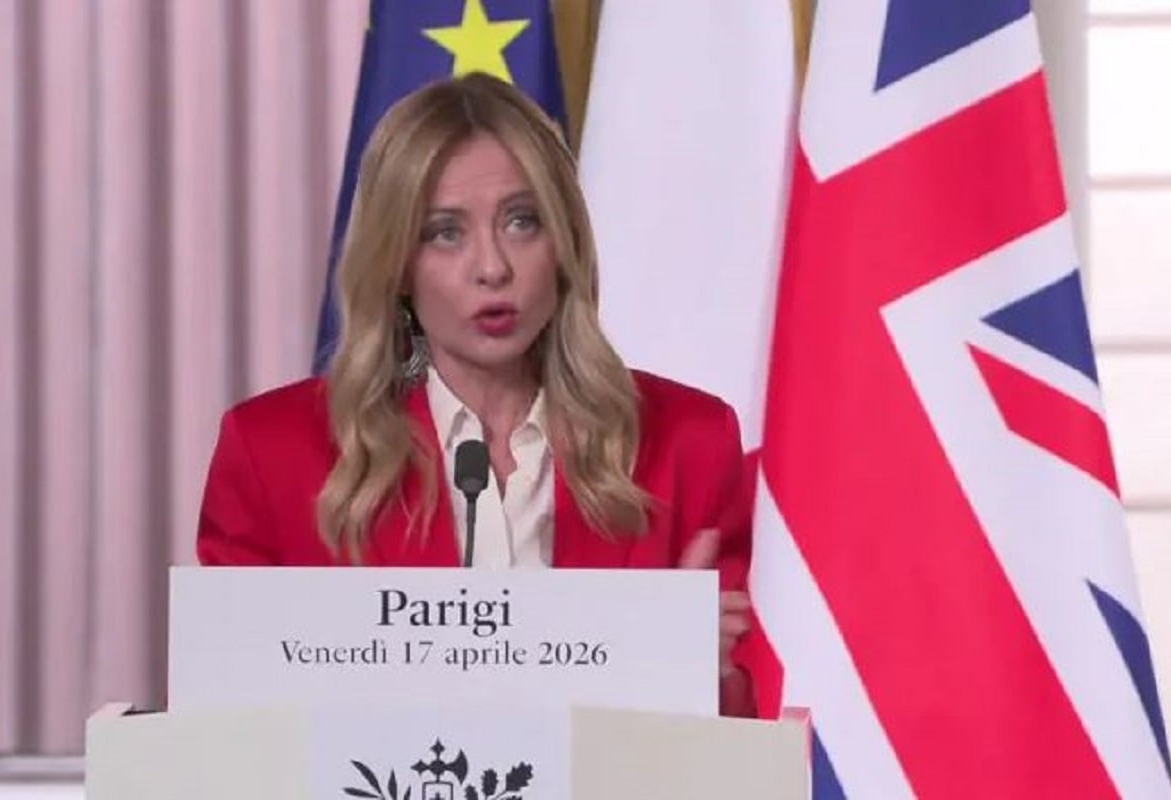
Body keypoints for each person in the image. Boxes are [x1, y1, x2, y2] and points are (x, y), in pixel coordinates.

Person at [194, 72, 757, 717]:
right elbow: (227, 728)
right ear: (396, 264)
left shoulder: (687, 443)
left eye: (522, 222)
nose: (493, 267)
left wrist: (702, 675)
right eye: (446, 232)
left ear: (565, 244)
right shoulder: (272, 454)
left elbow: (743, 731)